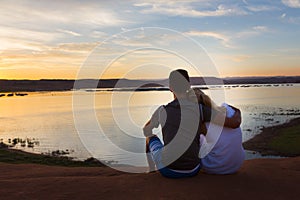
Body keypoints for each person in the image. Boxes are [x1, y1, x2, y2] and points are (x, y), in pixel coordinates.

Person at [143, 69, 242, 178]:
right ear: (188, 86)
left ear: (170, 87)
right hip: (193, 169)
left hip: (168, 170)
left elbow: (146, 130)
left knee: (149, 137)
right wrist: (237, 112)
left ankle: (151, 170)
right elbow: (234, 123)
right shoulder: (200, 109)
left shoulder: (162, 110)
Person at [190, 89, 245, 174]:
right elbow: (236, 118)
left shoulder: (201, 125)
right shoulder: (228, 109)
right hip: (237, 164)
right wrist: (237, 111)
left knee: (198, 140)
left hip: (214, 167)